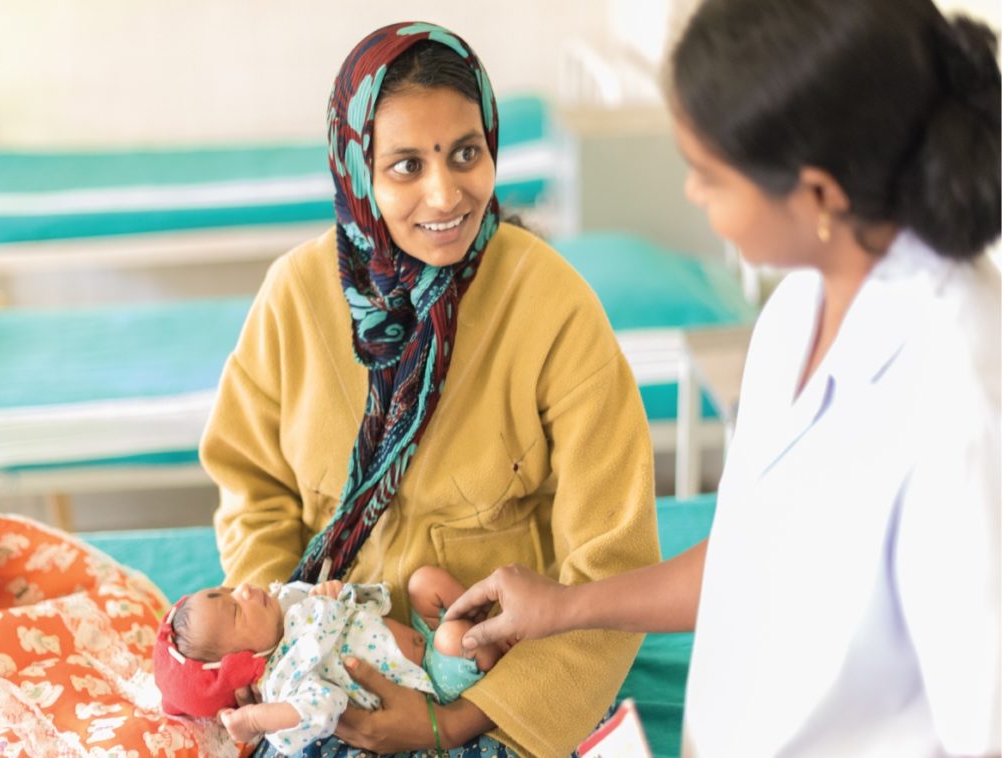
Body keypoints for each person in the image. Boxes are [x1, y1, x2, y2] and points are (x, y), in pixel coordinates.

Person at [446, 1, 1001, 755]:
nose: (692, 194)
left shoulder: (963, 398)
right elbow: (755, 549)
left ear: (818, 195)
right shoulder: (796, 310)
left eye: (709, 175)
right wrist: (565, 607)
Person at [198, 21, 659, 757]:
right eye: (407, 165)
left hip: (499, 679)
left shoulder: (553, 306)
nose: (445, 193)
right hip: (324, 672)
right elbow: (254, 491)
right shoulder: (294, 298)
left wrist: (458, 720)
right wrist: (283, 644)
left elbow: (612, 565)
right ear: (357, 171)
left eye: (465, 154)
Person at [153, 567, 505, 755]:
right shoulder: (285, 678)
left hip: (419, 633)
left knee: (425, 581)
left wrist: (336, 593)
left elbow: (366, 605)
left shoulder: (288, 605)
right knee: (454, 638)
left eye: (228, 590)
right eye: (235, 610)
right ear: (240, 664)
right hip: (429, 681)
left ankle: (496, 617)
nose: (243, 589)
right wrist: (256, 718)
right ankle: (503, 641)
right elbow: (322, 706)